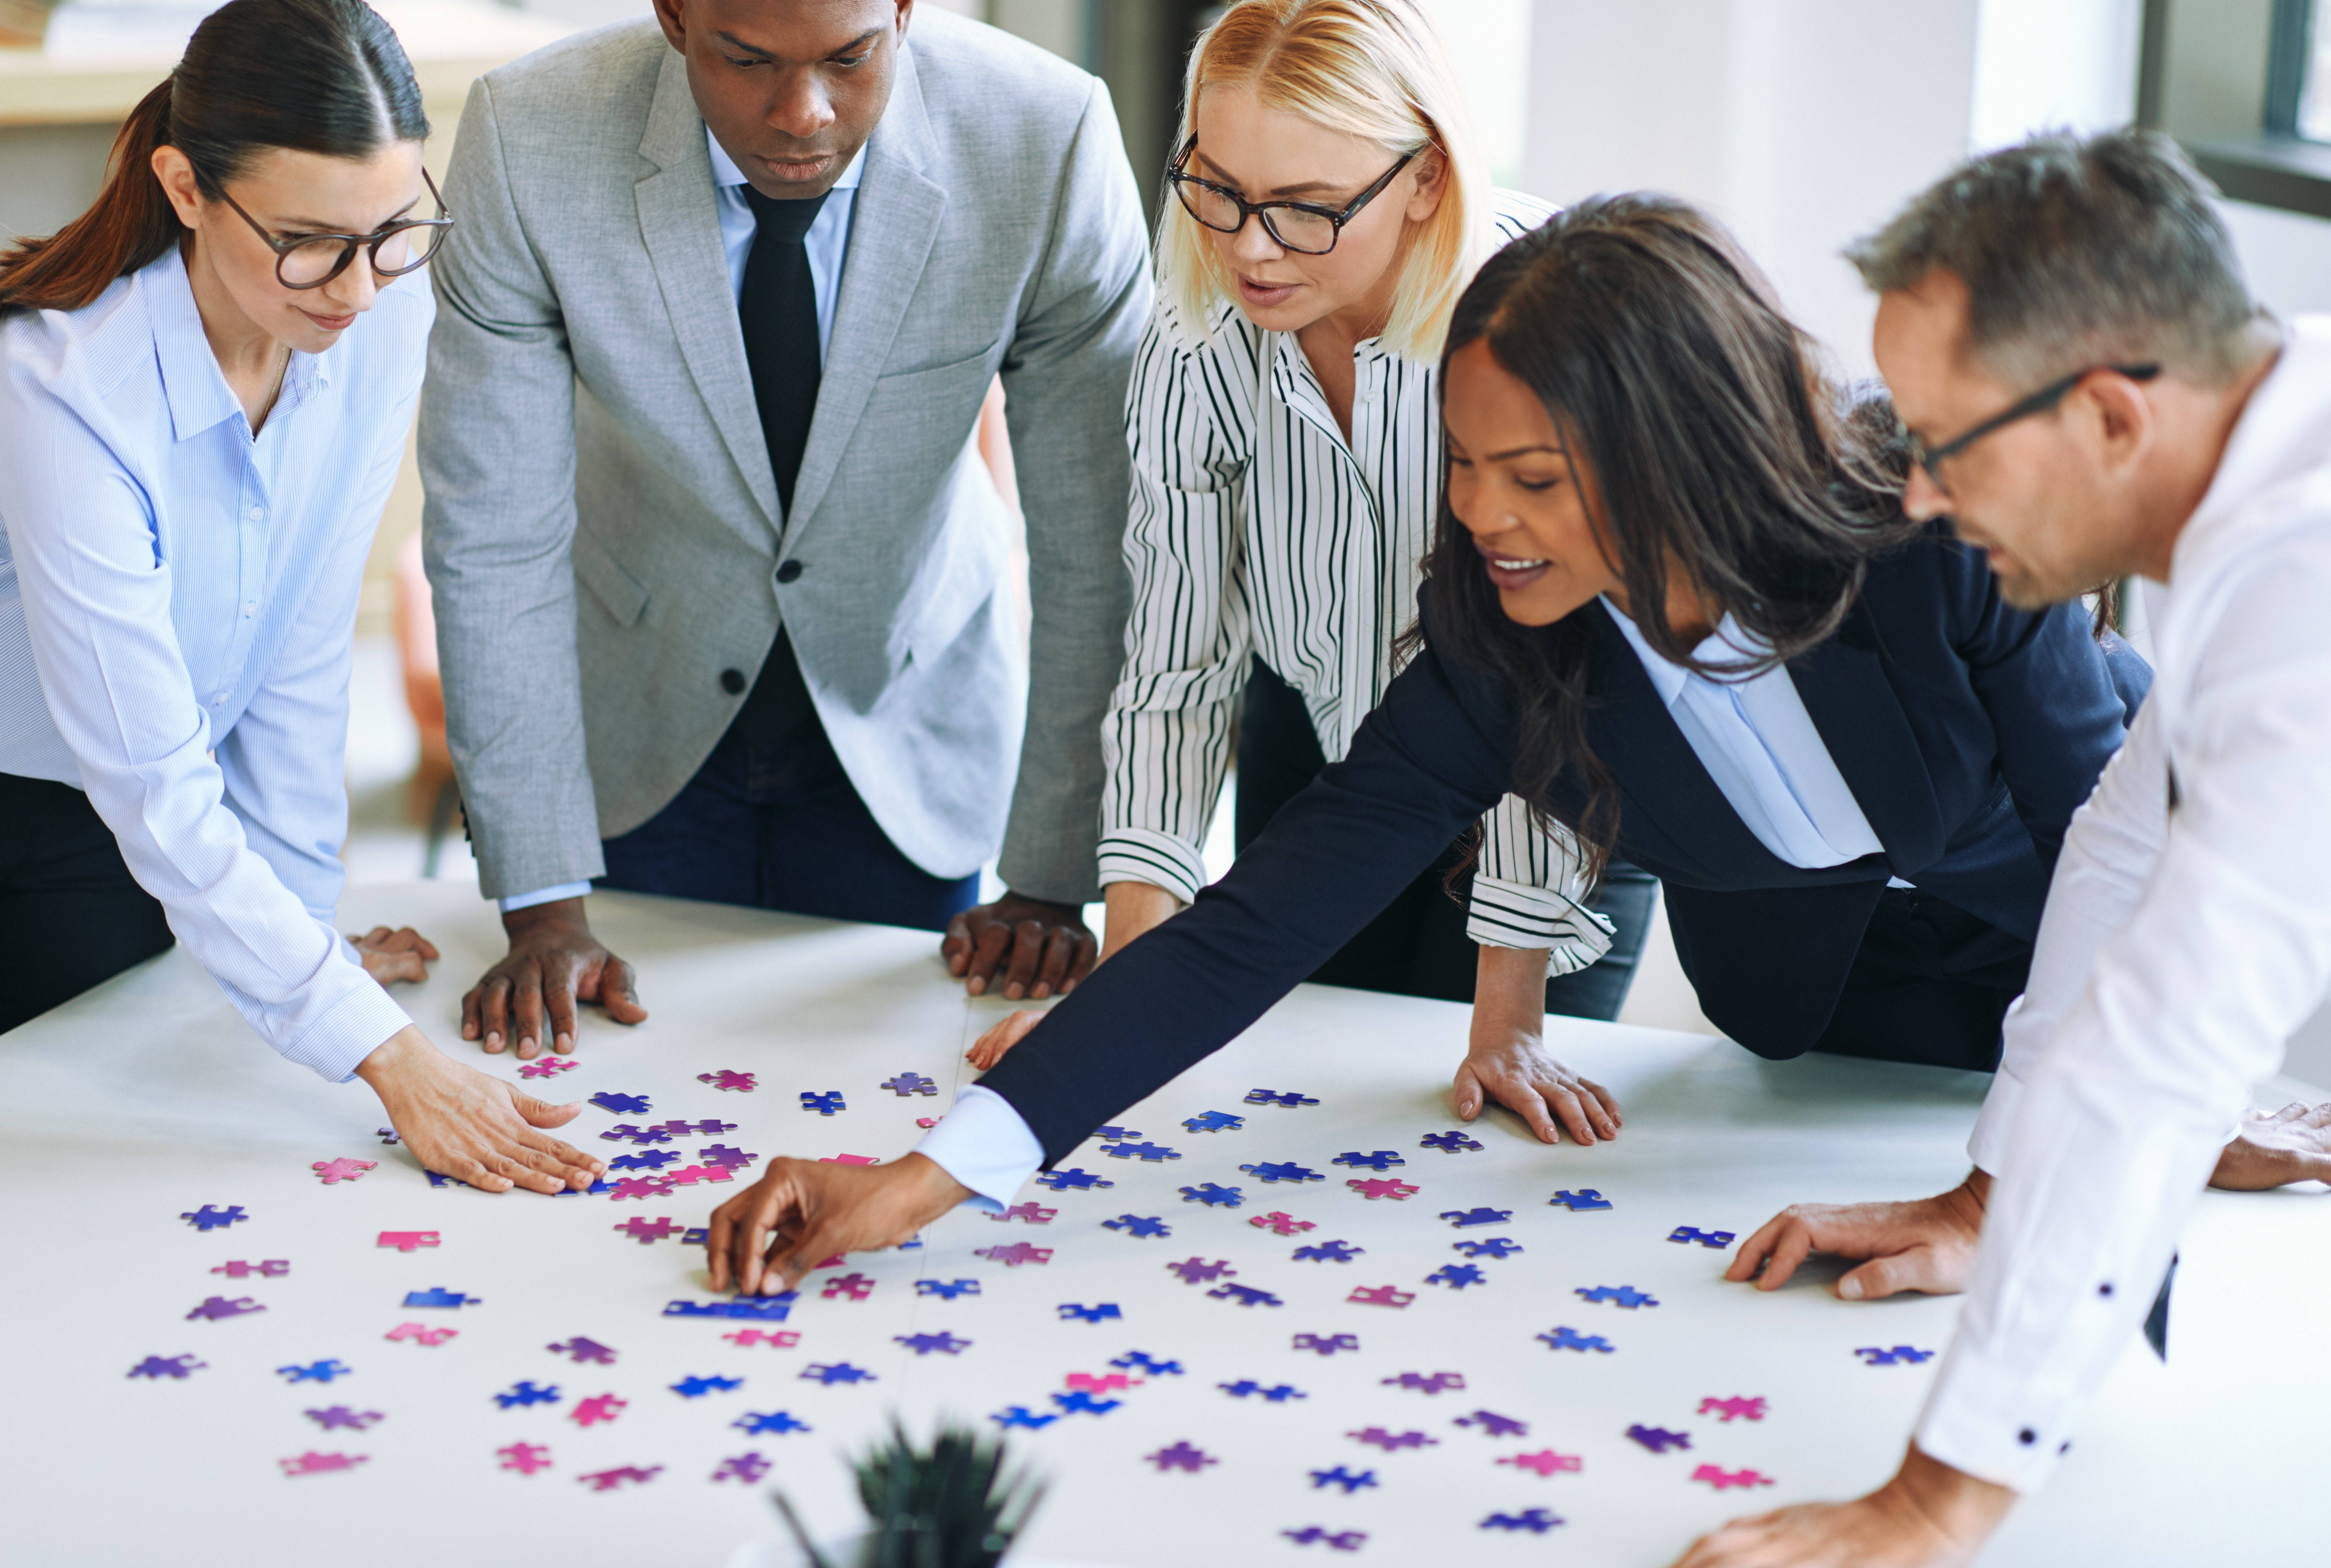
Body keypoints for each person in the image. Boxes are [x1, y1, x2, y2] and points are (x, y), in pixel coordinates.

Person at [704, 194, 2160, 1288]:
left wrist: (2048, 1163)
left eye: (1531, 475)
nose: (1477, 514)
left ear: (1682, 452)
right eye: (1462, 463)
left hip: (2068, 858)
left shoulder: (1941, 527)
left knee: (2129, 1082)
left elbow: (2120, 846)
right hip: (1813, 958)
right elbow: (1243, 936)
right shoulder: (1498, 652)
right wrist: (916, 1180)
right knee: (1835, 1062)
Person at [1681, 130, 2331, 1568]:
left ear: (2108, 414)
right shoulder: (2255, 472)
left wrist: (1936, 1500)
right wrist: (1995, 1192)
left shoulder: (2307, 586)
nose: (1912, 497)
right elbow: (2115, 857)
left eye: (1945, 443)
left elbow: (2164, 1044)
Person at [0, 0, 602, 1194]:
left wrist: (305, 936)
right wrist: (389, 1057)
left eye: (392, 228)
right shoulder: (62, 381)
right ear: (186, 189)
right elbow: (154, 776)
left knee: (98, 1153)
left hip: (87, 811)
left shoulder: (375, 322)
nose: (355, 287)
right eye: (307, 239)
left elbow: (297, 646)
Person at [421, 0, 1148, 1062]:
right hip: (632, 735)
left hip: (910, 721)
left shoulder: (1045, 139)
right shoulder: (527, 139)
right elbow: (490, 533)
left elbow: (1097, 538)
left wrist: (1056, 873)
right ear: (672, 8)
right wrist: (542, 897)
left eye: (850, 58)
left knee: (894, 1108)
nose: (802, 115)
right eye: (747, 60)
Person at [961, 0, 1658, 1149]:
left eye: (1306, 206)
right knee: (1299, 1129)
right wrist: (1123, 1012)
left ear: (1427, 174)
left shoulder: (1550, 323)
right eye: (1218, 193)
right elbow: (1176, 671)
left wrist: (1509, 1017)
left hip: (1558, 789)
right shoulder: (1196, 337)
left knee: (1479, 1155)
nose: (1251, 247)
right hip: (1331, 773)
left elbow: (1564, 688)